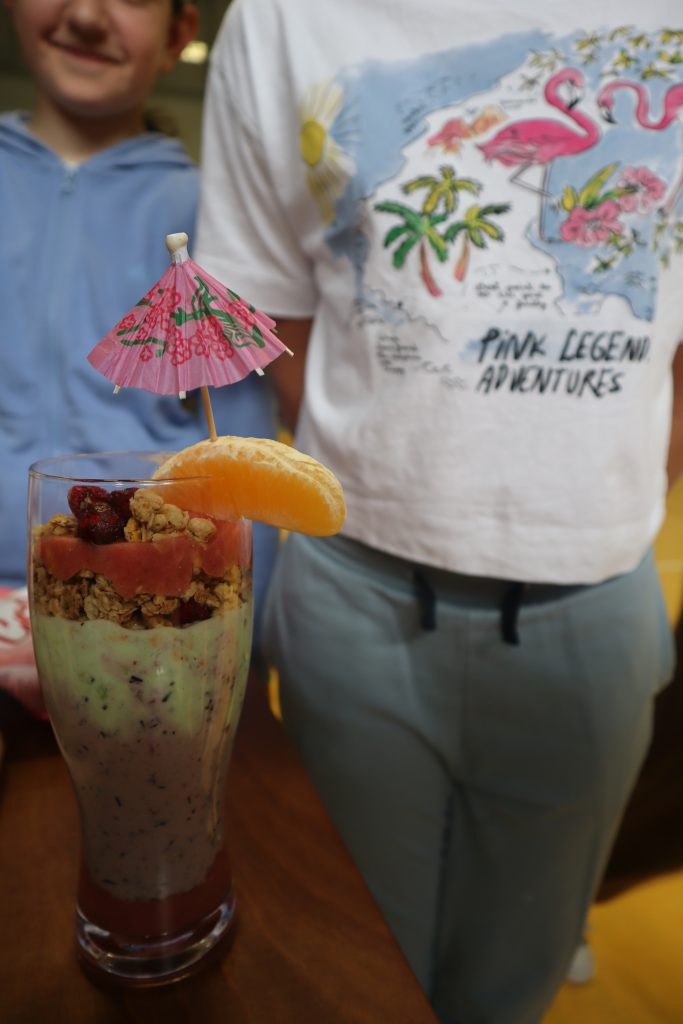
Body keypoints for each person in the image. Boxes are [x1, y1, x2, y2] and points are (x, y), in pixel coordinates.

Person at [195, 1, 683, 1021]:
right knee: (350, 972)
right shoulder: (283, 20)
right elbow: (278, 317)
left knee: (515, 983)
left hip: (594, 606)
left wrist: (594, 487)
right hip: (352, 597)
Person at [0, 0, 279, 652]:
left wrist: (242, 637)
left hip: (149, 612)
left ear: (179, 32)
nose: (86, 15)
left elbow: (243, 454)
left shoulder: (212, 213)